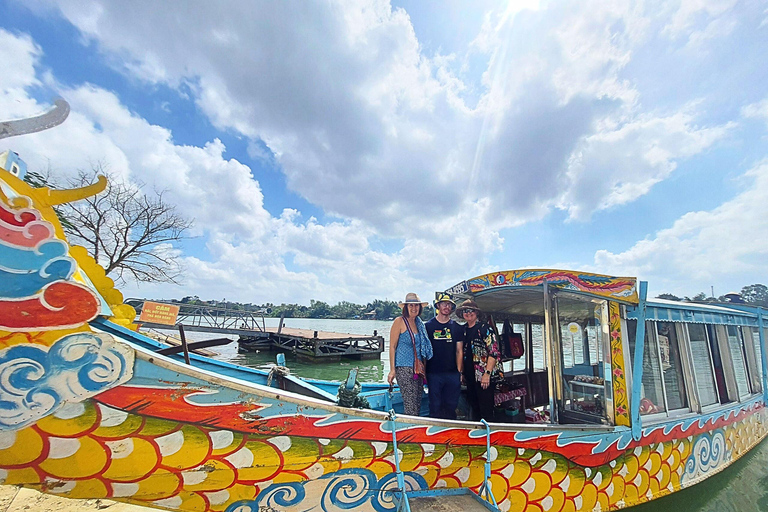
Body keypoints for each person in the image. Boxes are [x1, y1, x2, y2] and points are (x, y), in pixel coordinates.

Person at [388, 293, 433, 416]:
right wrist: (392, 370)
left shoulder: (419, 324)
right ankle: (409, 430)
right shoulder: (399, 321)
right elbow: (392, 346)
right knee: (410, 405)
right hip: (404, 368)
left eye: (417, 306)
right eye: (411, 305)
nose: (414, 308)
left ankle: (413, 429)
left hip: (418, 370)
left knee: (417, 403)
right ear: (406, 307)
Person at [457, 299, 502, 422]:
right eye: (465, 311)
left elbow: (494, 352)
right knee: (474, 409)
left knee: (486, 411)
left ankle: (489, 437)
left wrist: (487, 374)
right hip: (470, 377)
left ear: (477, 313)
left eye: (472, 311)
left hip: (484, 378)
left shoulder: (485, 328)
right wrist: (460, 373)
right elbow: (459, 352)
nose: (469, 313)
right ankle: (478, 438)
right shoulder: (463, 330)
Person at [425, 293, 464, 419]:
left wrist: (459, 372)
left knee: (451, 406)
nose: (446, 307)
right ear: (438, 306)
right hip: (434, 373)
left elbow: (459, 351)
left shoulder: (457, 327)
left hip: (452, 373)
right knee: (435, 406)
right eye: (444, 304)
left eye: (449, 305)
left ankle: (450, 433)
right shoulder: (428, 327)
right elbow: (424, 351)